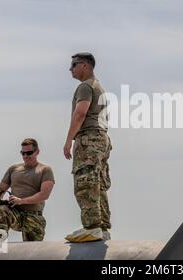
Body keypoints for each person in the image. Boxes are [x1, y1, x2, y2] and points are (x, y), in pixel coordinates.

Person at [63, 52, 112, 242]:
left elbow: (80, 113)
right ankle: (102, 227)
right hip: (101, 137)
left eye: (73, 65)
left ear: (85, 65)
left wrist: (69, 140)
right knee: (98, 184)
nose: (71, 69)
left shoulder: (85, 86)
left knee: (85, 182)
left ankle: (92, 227)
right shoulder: (99, 87)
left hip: (89, 138)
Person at [0, 138, 55, 242]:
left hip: (33, 216)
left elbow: (44, 195)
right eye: (23, 153)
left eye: (29, 153)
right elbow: (0, 188)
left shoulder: (45, 170)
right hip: (15, 212)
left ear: (37, 152)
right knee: (2, 210)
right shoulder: (13, 169)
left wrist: (21, 201)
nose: (25, 156)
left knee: (32, 252)